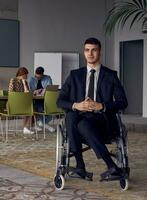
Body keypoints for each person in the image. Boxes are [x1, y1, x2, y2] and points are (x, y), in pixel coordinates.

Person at [57, 37, 128, 180]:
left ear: (99, 52)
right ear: (84, 52)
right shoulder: (74, 75)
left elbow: (123, 102)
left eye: (94, 50)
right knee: (72, 116)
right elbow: (60, 101)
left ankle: (80, 167)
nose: (90, 54)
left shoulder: (110, 75)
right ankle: (110, 166)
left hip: (102, 121)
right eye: (87, 50)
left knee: (79, 122)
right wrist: (76, 105)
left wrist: (102, 106)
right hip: (78, 121)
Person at [8, 67, 35, 134]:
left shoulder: (25, 82)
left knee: (30, 108)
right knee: (28, 108)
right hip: (14, 103)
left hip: (22, 102)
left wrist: (23, 83)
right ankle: (25, 128)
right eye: (26, 75)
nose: (27, 76)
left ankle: (25, 128)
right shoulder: (13, 80)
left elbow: (27, 92)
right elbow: (10, 92)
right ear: (22, 74)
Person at [29, 66, 55, 132]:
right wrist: (36, 92)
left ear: (43, 74)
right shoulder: (31, 79)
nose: (38, 78)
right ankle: (44, 123)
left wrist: (44, 91)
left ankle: (42, 122)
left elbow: (50, 88)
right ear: (35, 74)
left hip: (46, 98)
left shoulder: (47, 78)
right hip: (36, 98)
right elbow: (31, 91)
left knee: (53, 106)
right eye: (37, 77)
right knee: (39, 105)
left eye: (40, 77)